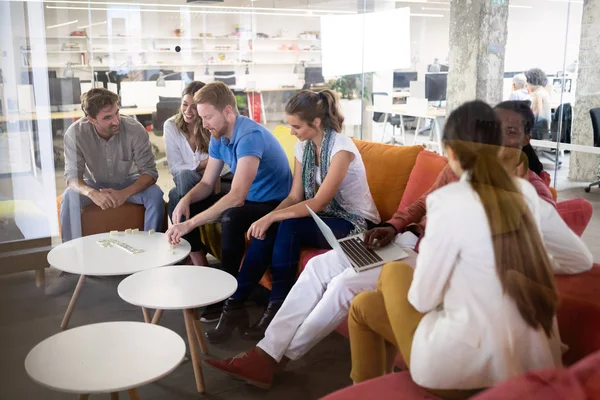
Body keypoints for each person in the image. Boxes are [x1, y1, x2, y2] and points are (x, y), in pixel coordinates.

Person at [203, 100, 592, 390]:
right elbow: (422, 203)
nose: (495, 143)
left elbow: (429, 290)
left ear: (525, 139)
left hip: (425, 264)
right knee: (324, 267)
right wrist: (393, 223)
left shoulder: (532, 191)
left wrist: (506, 264)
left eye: (509, 134)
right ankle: (266, 354)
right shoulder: (471, 180)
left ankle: (274, 358)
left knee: (344, 287)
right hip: (409, 243)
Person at [347, 100, 591, 397]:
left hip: (462, 371)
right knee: (363, 306)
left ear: (451, 152)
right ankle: (371, 390)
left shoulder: (449, 203)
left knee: (392, 271)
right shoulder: (525, 193)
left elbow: (423, 300)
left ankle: (366, 390)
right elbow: (579, 259)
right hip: (529, 365)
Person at [205, 90, 380, 344]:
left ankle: (276, 311)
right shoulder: (304, 147)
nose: (291, 131)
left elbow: (319, 203)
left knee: (289, 227)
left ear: (316, 123)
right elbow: (295, 196)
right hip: (325, 217)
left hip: (355, 221)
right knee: (270, 228)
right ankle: (234, 306)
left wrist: (273, 218)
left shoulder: (342, 149)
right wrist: (267, 218)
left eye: (296, 126)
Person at [166, 80, 292, 273]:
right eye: (202, 118)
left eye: (208, 117)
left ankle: (229, 286)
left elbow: (236, 197)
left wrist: (189, 225)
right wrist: (186, 199)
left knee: (231, 216)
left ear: (227, 112)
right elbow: (207, 183)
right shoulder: (218, 135)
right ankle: (200, 266)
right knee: (180, 204)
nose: (204, 124)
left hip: (272, 202)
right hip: (250, 198)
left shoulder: (249, 136)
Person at [60, 88, 164, 242]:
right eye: (107, 117)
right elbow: (72, 177)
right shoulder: (75, 134)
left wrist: (124, 193)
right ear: (92, 119)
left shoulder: (135, 129)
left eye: (117, 112)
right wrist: (91, 193)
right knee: (69, 196)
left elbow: (150, 173)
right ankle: (71, 253)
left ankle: (153, 247)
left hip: (128, 181)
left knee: (155, 194)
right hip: (93, 184)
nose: (116, 121)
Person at [164, 81, 211, 220]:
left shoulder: (210, 124)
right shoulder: (171, 126)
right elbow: (175, 169)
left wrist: (211, 165)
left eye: (194, 107)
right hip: (186, 181)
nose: (188, 111)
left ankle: (187, 237)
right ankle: (190, 235)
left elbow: (223, 165)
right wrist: (202, 164)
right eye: (185, 104)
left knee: (174, 194)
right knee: (184, 177)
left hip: (212, 180)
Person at [525, 68, 551, 139]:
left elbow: (535, 117)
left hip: (537, 137)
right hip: (545, 134)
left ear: (529, 81)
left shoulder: (537, 95)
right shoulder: (544, 92)